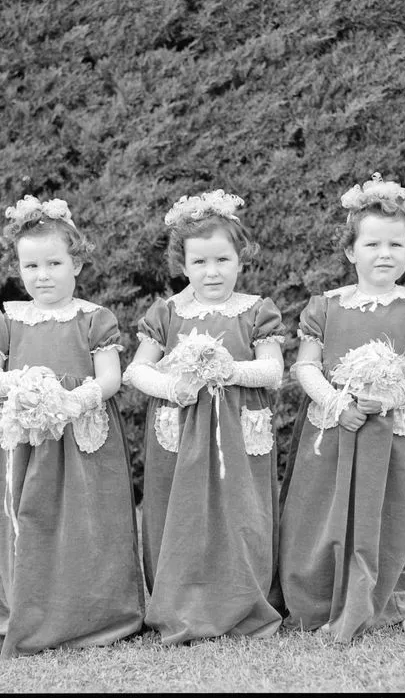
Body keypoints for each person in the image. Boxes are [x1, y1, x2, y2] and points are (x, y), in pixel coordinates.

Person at [278, 172, 405, 640]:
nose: (384, 254)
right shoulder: (326, 306)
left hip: (394, 432)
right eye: (372, 244)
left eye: (396, 245)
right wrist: (337, 402)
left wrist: (392, 395)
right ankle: (320, 594)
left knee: (402, 510)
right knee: (323, 511)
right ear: (351, 250)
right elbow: (305, 367)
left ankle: (402, 599)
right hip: (337, 428)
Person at [0, 195, 144, 658]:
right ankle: (25, 605)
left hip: (83, 440)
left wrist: (72, 400)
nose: (42, 275)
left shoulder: (93, 319)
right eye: (31, 266)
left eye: (53, 263)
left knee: (88, 522)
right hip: (24, 440)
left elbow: (109, 377)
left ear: (77, 264)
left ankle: (93, 610)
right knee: (24, 519)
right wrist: (19, 384)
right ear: (18, 269)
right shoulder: (8, 320)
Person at [123, 189, 285, 645]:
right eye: (199, 262)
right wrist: (175, 384)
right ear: (182, 264)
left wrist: (226, 369)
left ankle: (242, 598)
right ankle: (179, 601)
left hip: (238, 428)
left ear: (241, 258)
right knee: (181, 513)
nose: (211, 272)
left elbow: (273, 371)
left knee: (241, 512)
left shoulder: (256, 311)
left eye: (222, 260)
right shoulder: (168, 313)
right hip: (181, 426)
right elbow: (136, 370)